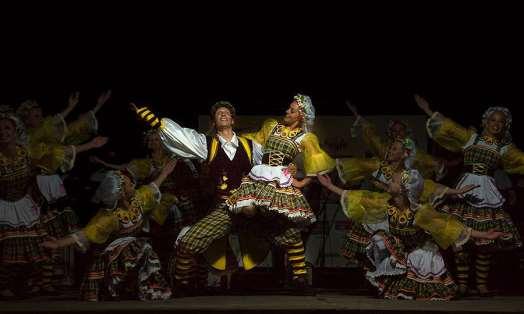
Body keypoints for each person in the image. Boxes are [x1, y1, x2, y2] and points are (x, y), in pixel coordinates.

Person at [415, 94, 524, 296]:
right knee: (460, 237)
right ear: (485, 121)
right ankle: (463, 284)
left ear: (505, 125)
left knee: (486, 245)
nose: (496, 124)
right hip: (465, 191)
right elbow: (450, 126)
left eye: (501, 122)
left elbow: (521, 160)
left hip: (487, 196)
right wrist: (428, 111)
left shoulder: (504, 148)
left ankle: (481, 285)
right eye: (493, 120)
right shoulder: (471, 138)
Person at [40, 160, 177, 301]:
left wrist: (165, 173)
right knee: (142, 246)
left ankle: (141, 288)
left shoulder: (138, 199)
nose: (133, 184)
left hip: (133, 251)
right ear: (121, 193)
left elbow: (153, 187)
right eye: (130, 184)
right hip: (113, 255)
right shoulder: (109, 217)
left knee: (142, 247)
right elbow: (85, 234)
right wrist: (57, 244)